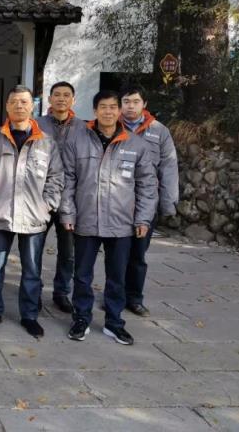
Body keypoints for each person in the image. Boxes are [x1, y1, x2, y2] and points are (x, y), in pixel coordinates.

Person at [60, 89, 158, 346]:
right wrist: (67, 212)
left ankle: (114, 323)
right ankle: (81, 318)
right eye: (103, 107)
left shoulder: (136, 144)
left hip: (121, 223)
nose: (108, 112)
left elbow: (147, 185)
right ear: (95, 111)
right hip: (86, 220)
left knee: (117, 277)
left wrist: (143, 219)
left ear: (119, 110)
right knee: (82, 275)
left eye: (113, 107)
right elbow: (67, 180)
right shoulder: (77, 140)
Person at [0, 86, 64, 337]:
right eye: (14, 101)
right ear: (6, 106)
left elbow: (56, 177)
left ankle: (29, 316)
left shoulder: (46, 142)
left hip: (34, 217)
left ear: (32, 106)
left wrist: (47, 205)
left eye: (24, 102)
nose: (19, 106)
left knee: (32, 270)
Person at [120, 85, 179, 317]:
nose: (130, 106)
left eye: (135, 101)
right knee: (117, 255)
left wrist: (168, 203)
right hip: (117, 203)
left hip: (146, 203)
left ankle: (134, 298)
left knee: (138, 255)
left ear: (144, 104)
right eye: (126, 101)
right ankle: (115, 296)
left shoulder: (159, 131)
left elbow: (168, 167)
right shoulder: (112, 126)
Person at [36, 81, 85, 314]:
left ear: (73, 100)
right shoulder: (37, 124)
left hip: (71, 199)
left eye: (66, 95)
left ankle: (61, 292)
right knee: (34, 248)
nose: (61, 99)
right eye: (57, 95)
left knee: (68, 251)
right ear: (49, 99)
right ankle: (33, 291)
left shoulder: (83, 128)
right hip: (41, 196)